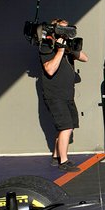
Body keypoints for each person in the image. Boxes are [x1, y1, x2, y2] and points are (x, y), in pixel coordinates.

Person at [39, 18, 88, 172]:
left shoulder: (68, 46)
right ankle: (64, 162)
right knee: (66, 126)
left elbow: (85, 58)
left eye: (67, 30)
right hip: (54, 95)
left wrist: (68, 47)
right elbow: (50, 69)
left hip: (67, 94)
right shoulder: (46, 46)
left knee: (67, 126)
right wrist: (60, 50)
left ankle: (55, 157)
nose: (65, 33)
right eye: (62, 29)